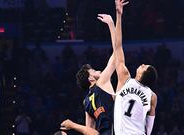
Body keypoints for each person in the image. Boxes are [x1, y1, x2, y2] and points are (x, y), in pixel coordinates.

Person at [61, 4, 120, 135]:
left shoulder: (86, 102)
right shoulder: (102, 82)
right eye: (93, 71)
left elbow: (89, 131)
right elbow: (117, 54)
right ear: (90, 78)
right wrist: (111, 24)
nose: (97, 70)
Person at [112, 0, 158, 135]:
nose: (142, 64)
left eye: (144, 66)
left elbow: (118, 46)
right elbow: (150, 125)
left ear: (143, 74)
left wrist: (118, 16)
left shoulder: (125, 79)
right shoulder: (152, 96)